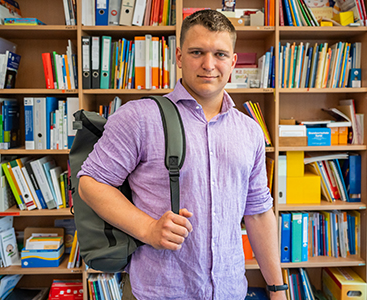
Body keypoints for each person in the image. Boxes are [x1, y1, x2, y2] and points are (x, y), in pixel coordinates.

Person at [78, 9, 286, 300]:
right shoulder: (140, 117)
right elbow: (90, 183)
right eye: (197, 52)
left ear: (234, 62)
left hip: (229, 291)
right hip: (156, 291)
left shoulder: (250, 131)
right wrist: (149, 228)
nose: (209, 64)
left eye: (220, 54)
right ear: (178, 57)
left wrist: (277, 288)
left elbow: (258, 211)